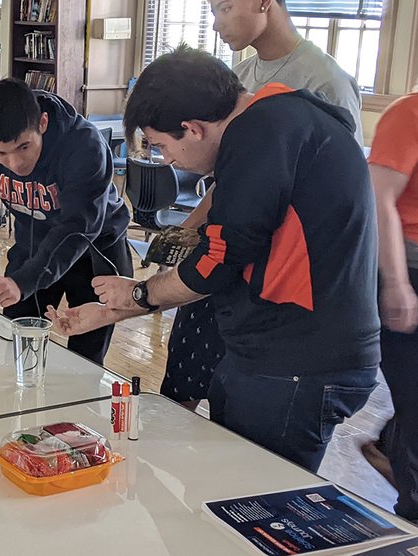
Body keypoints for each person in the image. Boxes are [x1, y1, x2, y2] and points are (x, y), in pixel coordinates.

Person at [49, 46, 379, 472]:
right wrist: (116, 309)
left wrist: (138, 292)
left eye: (162, 145)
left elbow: (215, 261)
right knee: (222, 485)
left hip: (298, 361)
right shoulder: (274, 122)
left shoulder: (263, 132)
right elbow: (224, 265)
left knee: (255, 501)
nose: (167, 159)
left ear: (193, 128)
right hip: (267, 349)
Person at [160, 0, 366, 409]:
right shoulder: (240, 77)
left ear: (264, 4)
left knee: (255, 410)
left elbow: (344, 188)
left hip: (284, 282)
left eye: (224, 8)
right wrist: (189, 233)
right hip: (231, 258)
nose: (215, 23)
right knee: (187, 379)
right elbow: (229, 182)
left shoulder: (324, 80)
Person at [0, 78, 132, 365]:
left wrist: (23, 281)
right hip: (35, 240)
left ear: (43, 123)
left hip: (95, 245)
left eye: (24, 147)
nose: (15, 164)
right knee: (15, 341)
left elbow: (77, 228)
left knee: (84, 361)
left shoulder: (84, 144)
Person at [363, 93, 418, 522]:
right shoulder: (409, 113)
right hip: (410, 269)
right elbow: (379, 198)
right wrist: (396, 284)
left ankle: (389, 448)